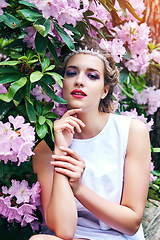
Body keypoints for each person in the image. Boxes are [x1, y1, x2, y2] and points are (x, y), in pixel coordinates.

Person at [30, 39, 151, 240]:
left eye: (92, 76)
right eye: (71, 73)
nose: (79, 81)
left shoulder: (131, 132)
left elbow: (131, 223)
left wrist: (79, 188)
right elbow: (64, 231)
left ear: (105, 90)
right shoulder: (45, 147)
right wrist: (61, 148)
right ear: (62, 84)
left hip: (118, 236)